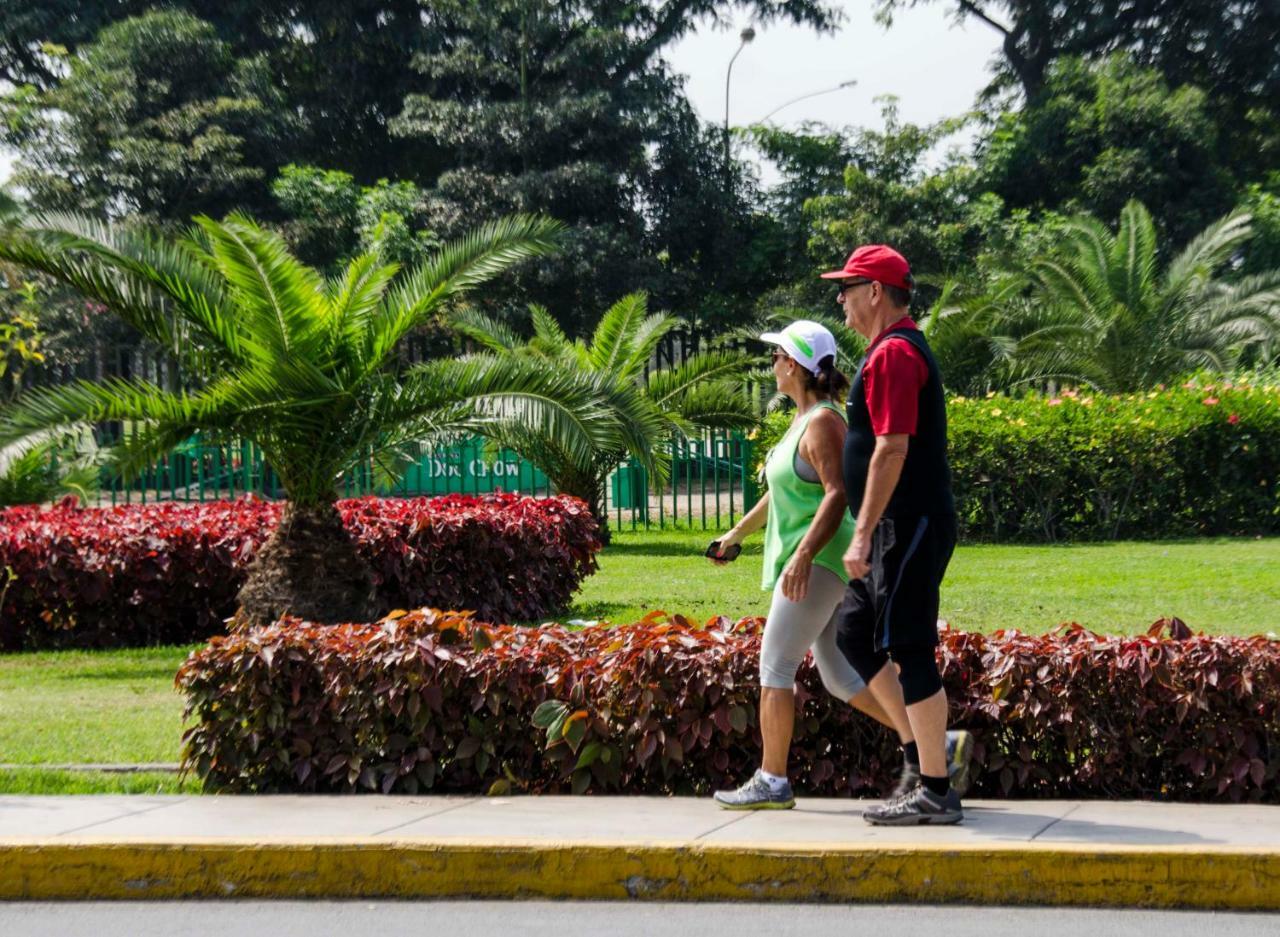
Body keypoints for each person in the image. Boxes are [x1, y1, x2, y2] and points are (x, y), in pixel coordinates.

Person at [709, 320, 971, 810]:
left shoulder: (824, 422)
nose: (772, 365)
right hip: (814, 559)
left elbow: (838, 494)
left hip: (821, 559)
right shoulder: (801, 421)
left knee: (776, 665)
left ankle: (773, 780)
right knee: (838, 675)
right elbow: (781, 491)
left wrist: (804, 554)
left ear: (794, 365)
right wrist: (735, 535)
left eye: (777, 356)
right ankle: (936, 748)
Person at [821, 244, 965, 824]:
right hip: (894, 528)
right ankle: (921, 757)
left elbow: (892, 449)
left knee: (910, 647)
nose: (842, 299)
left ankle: (935, 790)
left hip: (908, 525)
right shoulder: (884, 352)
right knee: (854, 632)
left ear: (875, 292)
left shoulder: (896, 355)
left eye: (848, 288)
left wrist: (863, 533)